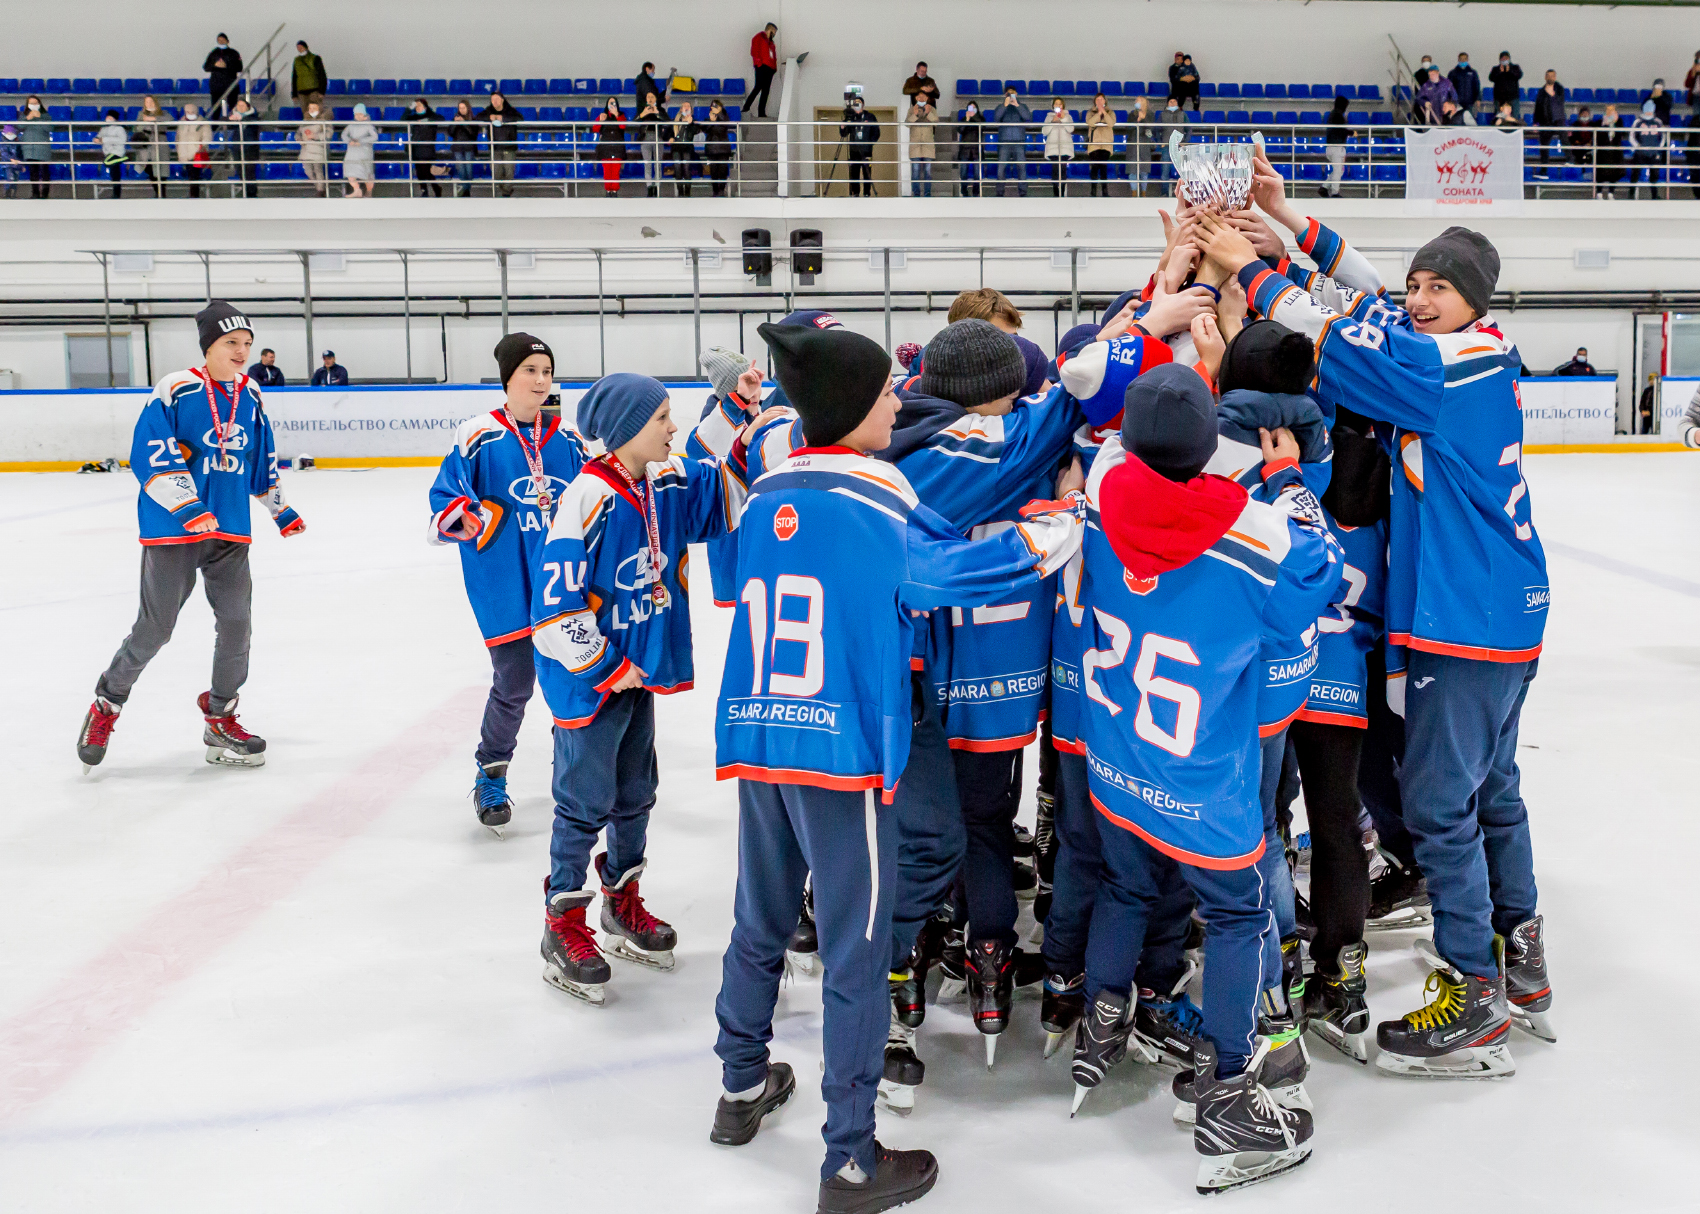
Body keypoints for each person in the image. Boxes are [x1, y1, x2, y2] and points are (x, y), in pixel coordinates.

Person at [709, 319, 1083, 1214]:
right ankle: (849, 1158)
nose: (900, 399)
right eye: (885, 392)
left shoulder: (773, 489)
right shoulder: (873, 501)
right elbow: (953, 572)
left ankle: (739, 1084)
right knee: (854, 946)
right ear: (851, 407)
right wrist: (1060, 524)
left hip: (763, 734)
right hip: (842, 747)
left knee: (759, 917)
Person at [1199, 194, 1555, 1074]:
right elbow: (1367, 301)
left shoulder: (1443, 369)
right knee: (1492, 791)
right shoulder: (1474, 347)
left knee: (1441, 806)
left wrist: (1250, 267)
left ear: (1476, 296)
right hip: (1505, 612)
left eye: (1440, 288)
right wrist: (1285, 222)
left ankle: (1475, 996)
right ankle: (1523, 960)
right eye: (1418, 284)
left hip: (1462, 621)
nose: (1421, 299)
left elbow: (1339, 337)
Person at [1066, 363, 1336, 1194]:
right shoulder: (1257, 537)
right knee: (1237, 912)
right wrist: (1289, 478)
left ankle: (1101, 1026)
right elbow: (1312, 585)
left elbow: (1107, 448)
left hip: (1116, 759)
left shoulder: (1103, 485)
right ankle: (1228, 1097)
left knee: (1125, 885)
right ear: (1214, 447)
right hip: (1203, 779)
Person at [532, 373, 748, 1005]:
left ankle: (621, 902)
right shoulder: (585, 499)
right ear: (628, 429)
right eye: (661, 419)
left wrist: (736, 406)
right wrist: (601, 664)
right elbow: (552, 608)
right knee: (584, 798)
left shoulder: (660, 482)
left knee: (635, 792)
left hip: (636, 672)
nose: (672, 428)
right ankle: (562, 922)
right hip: (590, 681)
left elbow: (722, 486)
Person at [77, 301, 305, 773]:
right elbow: (151, 451)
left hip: (228, 528)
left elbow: (261, 459)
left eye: (246, 343)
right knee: (156, 628)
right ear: (209, 346)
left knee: (237, 625)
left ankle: (220, 717)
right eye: (231, 343)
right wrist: (188, 505)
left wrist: (279, 509)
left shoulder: (252, 394)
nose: (242, 351)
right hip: (174, 528)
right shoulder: (177, 388)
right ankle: (107, 702)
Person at [428, 333, 586, 835]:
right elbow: (445, 495)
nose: (541, 381)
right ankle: (491, 773)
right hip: (504, 583)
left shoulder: (568, 439)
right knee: (515, 683)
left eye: (546, 371)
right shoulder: (478, 435)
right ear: (508, 378)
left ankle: (575, 777)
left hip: (560, 589)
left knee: (570, 680)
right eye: (530, 371)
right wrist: (462, 516)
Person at [990, 86, 1031, 197]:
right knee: (1001, 169)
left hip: (1019, 141)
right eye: (1009, 94)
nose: (1011, 96)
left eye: (1013, 94)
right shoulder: (1001, 106)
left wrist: (1017, 105)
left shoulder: (1022, 106)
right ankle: (999, 192)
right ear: (1005, 95)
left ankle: (1023, 192)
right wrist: (1005, 105)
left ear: (1016, 95)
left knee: (1021, 168)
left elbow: (1027, 118)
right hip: (1004, 142)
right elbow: (996, 118)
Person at [478, 92, 521, 197]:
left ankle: (506, 193)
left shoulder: (510, 110)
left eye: (497, 99)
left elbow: (519, 118)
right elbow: (478, 117)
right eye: (492, 99)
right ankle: (505, 188)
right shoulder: (488, 110)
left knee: (509, 171)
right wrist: (490, 117)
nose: (494, 101)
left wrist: (503, 118)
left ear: (502, 99)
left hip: (509, 146)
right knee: (496, 172)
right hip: (495, 147)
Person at [840, 95, 880, 198]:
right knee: (854, 173)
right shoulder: (851, 117)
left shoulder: (870, 116)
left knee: (867, 173)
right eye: (855, 103)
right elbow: (844, 134)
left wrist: (869, 143)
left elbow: (876, 132)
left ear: (863, 104)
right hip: (854, 150)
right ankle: (855, 193)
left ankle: (867, 193)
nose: (856, 105)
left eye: (858, 102)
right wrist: (843, 125)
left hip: (866, 150)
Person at [402, 97, 441, 197]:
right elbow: (402, 120)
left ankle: (436, 188)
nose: (417, 108)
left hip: (427, 148)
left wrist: (426, 120)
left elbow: (441, 119)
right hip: (416, 148)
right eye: (416, 106)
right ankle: (425, 190)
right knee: (419, 172)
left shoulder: (431, 115)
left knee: (426, 171)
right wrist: (409, 109)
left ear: (425, 106)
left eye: (419, 105)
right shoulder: (414, 117)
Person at [1629, 99, 1667, 198]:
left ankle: (1654, 195)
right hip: (1640, 152)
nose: (1649, 112)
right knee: (1635, 173)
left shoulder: (1658, 122)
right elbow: (1631, 136)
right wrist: (1637, 146)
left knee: (1654, 174)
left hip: (1653, 152)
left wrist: (1658, 148)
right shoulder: (1638, 121)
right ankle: (1631, 194)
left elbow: (1663, 136)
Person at [134, 95, 169, 199]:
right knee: (149, 167)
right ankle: (157, 190)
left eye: (150, 101)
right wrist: (144, 122)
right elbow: (137, 127)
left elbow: (169, 120)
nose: (148, 104)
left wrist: (154, 118)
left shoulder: (163, 113)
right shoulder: (141, 114)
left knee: (161, 168)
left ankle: (161, 192)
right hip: (147, 143)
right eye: (146, 102)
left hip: (160, 141)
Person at [1532, 70, 1566, 177]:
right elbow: (1537, 107)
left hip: (1557, 120)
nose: (1550, 77)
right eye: (1548, 76)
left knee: (1564, 138)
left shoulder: (1560, 89)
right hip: (1545, 122)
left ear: (1555, 77)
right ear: (1545, 77)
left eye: (1552, 76)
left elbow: (1560, 102)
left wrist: (1552, 95)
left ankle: (1570, 159)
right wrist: (1535, 122)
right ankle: (1544, 171)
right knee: (1544, 147)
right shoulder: (1541, 91)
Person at [174, 103, 211, 199]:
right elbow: (178, 137)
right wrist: (178, 149)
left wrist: (202, 147)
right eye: (188, 112)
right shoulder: (181, 122)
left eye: (192, 112)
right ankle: (193, 195)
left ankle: (194, 196)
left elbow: (207, 137)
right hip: (184, 153)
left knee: (194, 176)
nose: (190, 113)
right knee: (191, 175)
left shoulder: (203, 122)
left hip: (196, 153)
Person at [18, 95, 52, 200]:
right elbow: (19, 127)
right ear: (27, 105)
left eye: (36, 103)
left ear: (39, 104)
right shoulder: (23, 116)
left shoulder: (46, 116)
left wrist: (40, 118)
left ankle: (45, 194)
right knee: (33, 172)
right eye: (31, 103)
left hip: (43, 147)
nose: (33, 105)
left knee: (44, 171)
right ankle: (35, 193)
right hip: (29, 148)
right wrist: (28, 119)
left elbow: (50, 128)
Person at [341, 103, 378, 198]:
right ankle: (357, 190)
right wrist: (349, 141)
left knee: (366, 173)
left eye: (360, 114)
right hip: (352, 152)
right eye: (356, 114)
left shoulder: (369, 125)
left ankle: (369, 192)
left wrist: (361, 142)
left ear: (364, 114)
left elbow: (374, 137)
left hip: (364, 152)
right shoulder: (351, 125)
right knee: (350, 170)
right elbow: (343, 135)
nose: (357, 116)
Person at [1042, 97, 1076, 197]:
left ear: (1063, 106)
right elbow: (1044, 131)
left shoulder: (1068, 116)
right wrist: (1053, 121)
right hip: (1053, 148)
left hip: (1065, 148)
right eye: (1056, 104)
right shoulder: (1048, 117)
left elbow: (1071, 129)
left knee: (1063, 170)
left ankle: (1062, 191)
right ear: (1053, 106)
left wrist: (1063, 118)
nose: (1058, 105)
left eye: (1060, 104)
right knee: (1055, 171)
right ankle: (1056, 193)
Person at [227, 97, 261, 198]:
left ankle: (252, 194)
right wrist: (230, 120)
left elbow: (254, 122)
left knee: (249, 171)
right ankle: (245, 192)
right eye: (238, 105)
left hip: (250, 148)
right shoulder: (233, 116)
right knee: (240, 170)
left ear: (248, 107)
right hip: (237, 148)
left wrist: (241, 119)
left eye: (243, 105)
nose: (240, 107)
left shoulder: (254, 116)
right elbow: (225, 123)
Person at [905, 95, 938, 197]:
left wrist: (929, 113)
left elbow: (936, 123)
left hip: (928, 144)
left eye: (923, 97)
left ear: (927, 98)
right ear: (916, 99)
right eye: (919, 97)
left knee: (927, 171)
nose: (921, 99)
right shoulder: (911, 109)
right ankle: (916, 192)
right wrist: (914, 114)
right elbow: (907, 123)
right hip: (915, 145)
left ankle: (927, 192)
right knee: (915, 171)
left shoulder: (932, 109)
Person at [635, 90, 667, 197]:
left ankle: (657, 187)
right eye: (648, 97)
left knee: (658, 163)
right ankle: (649, 187)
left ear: (656, 99)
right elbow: (634, 123)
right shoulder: (642, 110)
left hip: (658, 137)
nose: (650, 99)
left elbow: (667, 122)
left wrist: (657, 113)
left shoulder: (661, 110)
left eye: (652, 97)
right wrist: (643, 114)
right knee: (647, 163)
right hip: (646, 137)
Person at [1082, 93, 1114, 197]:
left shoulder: (1111, 112)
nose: (1100, 101)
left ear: (1105, 101)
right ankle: (1093, 191)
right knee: (1095, 167)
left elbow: (1111, 123)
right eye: (1097, 100)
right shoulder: (1090, 113)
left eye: (1101, 99)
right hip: (1094, 144)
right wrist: (1098, 113)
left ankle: (1105, 191)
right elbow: (1090, 122)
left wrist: (1103, 112)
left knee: (1103, 166)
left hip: (1106, 144)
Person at [296, 100, 330, 196]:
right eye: (310, 108)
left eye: (314, 108)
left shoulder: (324, 121)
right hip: (306, 150)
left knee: (318, 171)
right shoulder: (304, 121)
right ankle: (320, 188)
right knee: (308, 171)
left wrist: (315, 136)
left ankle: (320, 191)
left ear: (319, 109)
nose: (311, 110)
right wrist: (299, 139)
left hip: (318, 149)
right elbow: (298, 133)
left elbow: (328, 135)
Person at [448, 100, 481, 197]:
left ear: (468, 108)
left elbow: (473, 134)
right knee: (461, 169)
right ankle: (466, 189)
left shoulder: (473, 120)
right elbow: (450, 133)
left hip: (469, 148)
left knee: (469, 169)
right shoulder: (455, 119)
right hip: (458, 148)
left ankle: (466, 188)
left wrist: (464, 123)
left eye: (463, 108)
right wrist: (455, 124)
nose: (461, 110)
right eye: (460, 108)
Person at [205, 33, 244, 116]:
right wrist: (215, 65)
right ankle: (215, 128)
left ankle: (234, 126)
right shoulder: (213, 53)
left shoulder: (234, 53)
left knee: (233, 106)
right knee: (215, 108)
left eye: (223, 40)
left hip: (230, 83)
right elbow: (206, 67)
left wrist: (226, 66)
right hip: (216, 84)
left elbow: (239, 67)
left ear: (227, 41)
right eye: (219, 41)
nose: (221, 42)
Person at [1155, 95, 1187, 194]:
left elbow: (1189, 129)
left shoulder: (1183, 114)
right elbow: (1156, 130)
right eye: (1170, 101)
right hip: (1166, 146)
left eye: (1174, 101)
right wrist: (1160, 143)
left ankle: (1180, 193)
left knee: (1180, 170)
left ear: (1177, 103)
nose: (1172, 103)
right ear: (1167, 103)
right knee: (1165, 169)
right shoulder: (1162, 115)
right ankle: (1164, 192)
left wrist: (1185, 142)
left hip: (1179, 146)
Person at [746, 22, 778, 119]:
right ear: (769, 30)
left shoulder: (771, 42)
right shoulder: (759, 37)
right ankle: (746, 106)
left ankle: (761, 112)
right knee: (758, 87)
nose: (774, 34)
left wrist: (774, 68)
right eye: (774, 32)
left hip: (770, 69)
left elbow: (773, 56)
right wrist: (759, 64)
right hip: (761, 66)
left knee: (766, 91)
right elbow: (754, 51)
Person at [668, 101, 700, 197]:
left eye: (688, 106)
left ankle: (687, 191)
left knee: (686, 168)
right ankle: (680, 191)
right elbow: (668, 133)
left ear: (691, 110)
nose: (686, 107)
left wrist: (689, 123)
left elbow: (695, 131)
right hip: (676, 148)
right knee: (677, 169)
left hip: (687, 148)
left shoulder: (693, 122)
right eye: (684, 106)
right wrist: (670, 137)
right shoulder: (675, 120)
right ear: (681, 109)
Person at [1595, 102, 1627, 197]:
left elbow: (1622, 134)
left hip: (1615, 151)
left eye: (1612, 109)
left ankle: (1611, 192)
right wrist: (1605, 124)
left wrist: (1615, 123)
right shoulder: (1599, 122)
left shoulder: (1619, 121)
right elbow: (1598, 136)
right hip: (1603, 151)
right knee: (1601, 172)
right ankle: (1599, 192)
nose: (1610, 111)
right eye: (1608, 109)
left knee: (1614, 172)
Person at [1321, 94, 1350, 196]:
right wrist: (1352, 133)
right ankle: (1334, 192)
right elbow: (1342, 130)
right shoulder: (1337, 115)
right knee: (1338, 170)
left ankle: (1324, 187)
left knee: (1339, 171)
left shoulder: (1333, 114)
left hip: (1332, 147)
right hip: (1336, 147)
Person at [955, 101, 985, 197]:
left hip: (977, 149)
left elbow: (983, 127)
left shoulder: (980, 118)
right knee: (963, 173)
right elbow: (960, 130)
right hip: (965, 149)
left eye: (973, 108)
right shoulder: (964, 119)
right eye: (970, 108)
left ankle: (975, 192)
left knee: (977, 174)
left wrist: (974, 116)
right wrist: (967, 119)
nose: (971, 110)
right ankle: (964, 192)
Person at [1126, 96, 1155, 196]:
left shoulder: (1150, 114)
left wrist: (1144, 119)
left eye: (1138, 100)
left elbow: (1151, 129)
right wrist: (1137, 121)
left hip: (1144, 144)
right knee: (1132, 170)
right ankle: (1134, 191)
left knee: (1144, 170)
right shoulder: (1131, 114)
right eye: (1136, 101)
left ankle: (1143, 192)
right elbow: (1128, 128)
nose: (1136, 102)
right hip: (1133, 144)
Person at [99, 109, 128, 199]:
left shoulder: (120, 129)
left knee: (107, 162)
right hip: (108, 153)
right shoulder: (104, 128)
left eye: (110, 117)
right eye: (107, 117)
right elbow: (99, 137)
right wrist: (97, 139)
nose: (108, 119)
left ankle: (123, 158)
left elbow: (122, 140)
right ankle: (116, 195)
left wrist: (104, 139)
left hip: (117, 152)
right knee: (114, 175)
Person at [291, 41, 327, 107]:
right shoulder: (296, 60)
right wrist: (294, 94)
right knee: (305, 113)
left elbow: (322, 75)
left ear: (306, 47)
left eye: (301, 47)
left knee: (316, 112)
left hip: (314, 90)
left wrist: (322, 91)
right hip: (301, 92)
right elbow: (294, 77)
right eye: (298, 48)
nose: (299, 49)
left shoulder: (315, 58)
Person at [1489, 51, 1523, 120]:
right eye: (1503, 59)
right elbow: (1491, 78)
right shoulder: (1495, 69)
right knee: (1499, 117)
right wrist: (1499, 72)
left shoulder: (1515, 67)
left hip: (1513, 98)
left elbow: (1519, 75)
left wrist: (1510, 71)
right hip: (1499, 99)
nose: (1504, 60)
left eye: (1506, 58)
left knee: (1514, 117)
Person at [1565, 107, 1595, 172]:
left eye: (1586, 113)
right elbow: (1570, 137)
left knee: (1589, 154)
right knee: (1579, 153)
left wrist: (1590, 143)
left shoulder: (1592, 125)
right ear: (1580, 115)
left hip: (1589, 147)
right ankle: (1581, 171)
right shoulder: (1575, 124)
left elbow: (1595, 137)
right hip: (1578, 147)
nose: (1585, 115)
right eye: (1583, 113)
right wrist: (1576, 142)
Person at [1, 125, 21, 199]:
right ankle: (7, 194)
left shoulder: (16, 142)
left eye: (11, 133)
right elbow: (4, 153)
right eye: (8, 133)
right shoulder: (3, 142)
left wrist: (21, 164)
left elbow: (19, 153)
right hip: (7, 165)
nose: (10, 135)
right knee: (9, 178)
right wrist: (11, 159)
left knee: (15, 179)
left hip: (16, 165)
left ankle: (13, 194)